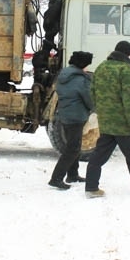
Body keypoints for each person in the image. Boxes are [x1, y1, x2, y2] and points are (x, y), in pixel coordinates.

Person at [84, 41, 130, 198]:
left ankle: (91, 187)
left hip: (106, 122)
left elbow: (92, 93)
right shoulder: (126, 70)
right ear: (128, 54)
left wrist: (103, 112)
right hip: (123, 124)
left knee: (99, 155)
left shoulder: (101, 67)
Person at [48, 50, 94, 190]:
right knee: (73, 149)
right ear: (83, 64)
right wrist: (93, 107)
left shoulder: (64, 76)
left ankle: (73, 175)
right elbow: (88, 99)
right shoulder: (80, 79)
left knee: (73, 145)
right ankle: (56, 178)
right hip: (76, 116)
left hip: (65, 115)